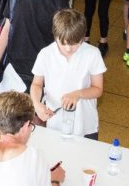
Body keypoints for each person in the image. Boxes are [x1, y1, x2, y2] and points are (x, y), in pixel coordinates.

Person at [31, 8, 106, 138]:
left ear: (83, 38)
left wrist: (78, 94)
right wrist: (37, 104)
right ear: (55, 36)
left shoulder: (93, 54)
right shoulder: (45, 54)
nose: (68, 48)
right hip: (55, 122)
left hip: (85, 123)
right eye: (63, 43)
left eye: (75, 44)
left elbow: (98, 89)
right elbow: (37, 84)